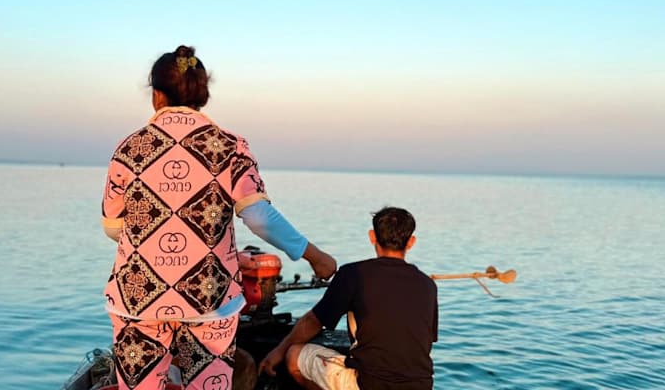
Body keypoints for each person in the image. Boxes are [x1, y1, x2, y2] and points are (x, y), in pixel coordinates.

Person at [101, 45, 337, 390]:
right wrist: (314, 255)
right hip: (209, 299)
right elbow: (258, 217)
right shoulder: (229, 146)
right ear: (203, 94)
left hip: (139, 298)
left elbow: (113, 226)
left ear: (157, 95)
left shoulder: (129, 148)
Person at [258, 207, 438, 390]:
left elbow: (314, 321)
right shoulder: (428, 285)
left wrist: (278, 351)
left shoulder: (353, 274)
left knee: (294, 355)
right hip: (422, 385)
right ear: (411, 242)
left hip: (368, 384)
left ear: (372, 237)